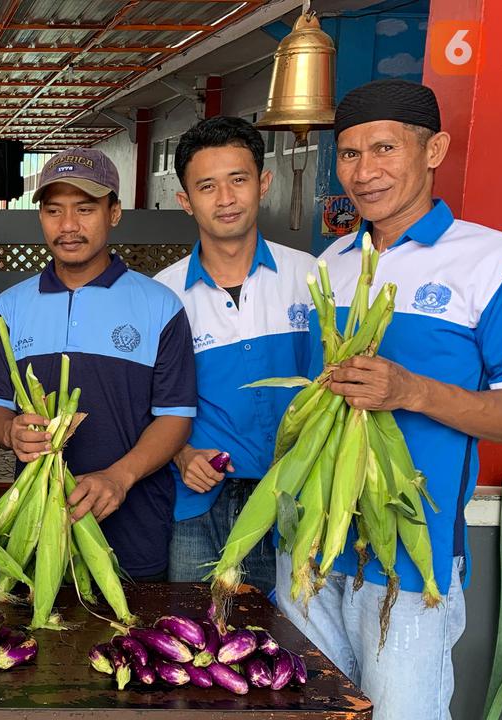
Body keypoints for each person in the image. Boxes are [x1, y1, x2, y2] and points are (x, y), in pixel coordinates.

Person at [276, 79, 502, 720]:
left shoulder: (494, 263)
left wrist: (411, 391)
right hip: (313, 550)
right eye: (351, 154)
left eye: (385, 149)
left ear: (435, 149)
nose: (365, 173)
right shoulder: (329, 263)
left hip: (410, 567)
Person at [0, 148, 197, 580]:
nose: (69, 226)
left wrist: (119, 477)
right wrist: (10, 432)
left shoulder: (159, 305)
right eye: (54, 210)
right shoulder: (10, 307)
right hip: (38, 527)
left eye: (85, 209)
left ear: (114, 213)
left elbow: (175, 417)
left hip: (134, 529)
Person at [154, 116, 315, 595]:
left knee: (289, 644)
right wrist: (181, 455)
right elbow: (148, 404)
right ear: (186, 201)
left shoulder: (310, 279)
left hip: (297, 498)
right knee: (195, 636)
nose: (225, 199)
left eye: (238, 180)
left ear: (263, 184)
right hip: (198, 501)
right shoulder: (163, 297)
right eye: (207, 186)